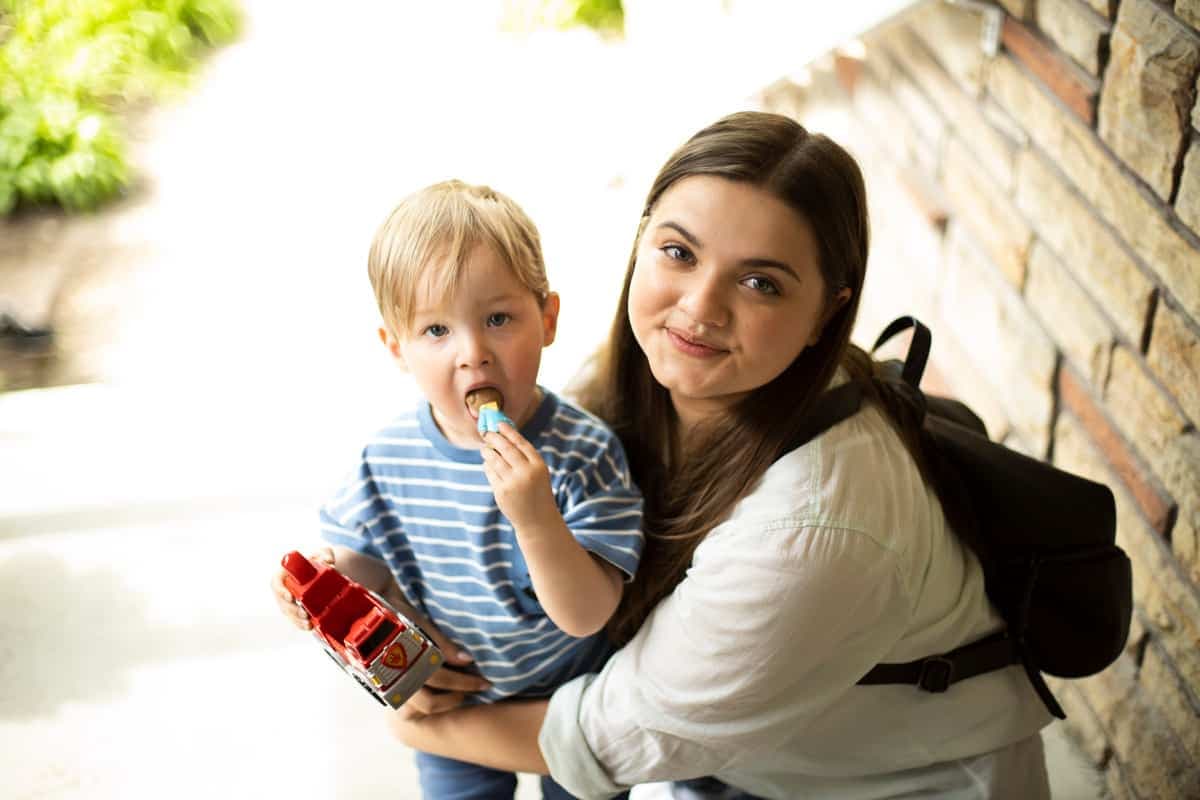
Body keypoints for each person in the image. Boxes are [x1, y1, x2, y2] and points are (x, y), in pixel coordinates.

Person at [386, 112, 1054, 799]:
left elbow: (610, 737)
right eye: (679, 252)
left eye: (761, 282)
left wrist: (421, 728)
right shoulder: (638, 384)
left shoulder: (814, 527)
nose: (699, 309)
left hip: (884, 784)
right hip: (741, 759)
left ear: (827, 312)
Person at [270, 180, 645, 800]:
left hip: (571, 698)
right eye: (436, 330)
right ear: (397, 348)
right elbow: (365, 572)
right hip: (451, 702)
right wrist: (321, 583)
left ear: (547, 319)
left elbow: (588, 615)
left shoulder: (586, 452)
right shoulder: (386, 461)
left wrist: (535, 517)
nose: (474, 354)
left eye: (499, 319)